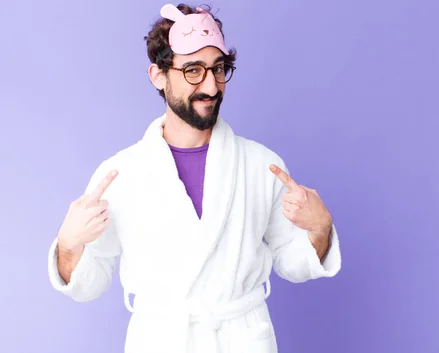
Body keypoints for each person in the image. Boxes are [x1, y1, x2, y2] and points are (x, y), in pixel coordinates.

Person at [46, 3, 341, 353]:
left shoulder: (262, 165)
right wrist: (68, 245)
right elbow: (89, 284)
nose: (211, 86)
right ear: (158, 75)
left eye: (219, 69)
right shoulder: (121, 174)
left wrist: (320, 230)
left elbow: (294, 264)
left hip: (241, 338)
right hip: (161, 340)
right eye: (193, 71)